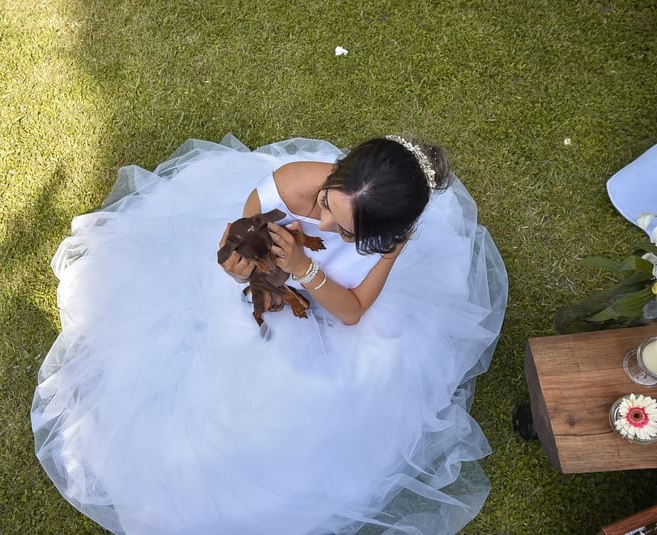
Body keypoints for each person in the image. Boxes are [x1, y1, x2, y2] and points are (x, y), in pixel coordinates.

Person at [31, 134, 508, 535]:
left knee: (312, 404)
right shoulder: (283, 189)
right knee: (222, 383)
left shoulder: (390, 241)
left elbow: (354, 311)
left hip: (332, 309)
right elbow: (248, 263)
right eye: (325, 203)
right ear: (335, 175)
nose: (321, 224)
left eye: (343, 229)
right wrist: (241, 274)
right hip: (267, 300)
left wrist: (306, 268)